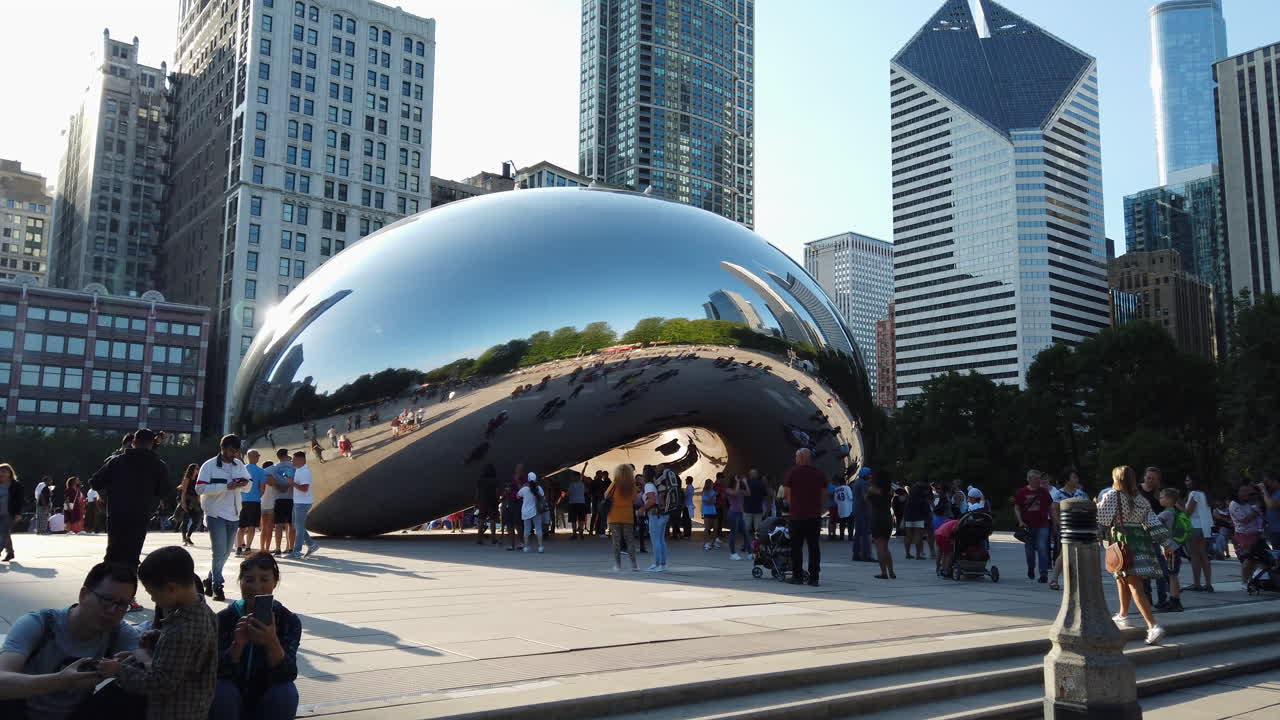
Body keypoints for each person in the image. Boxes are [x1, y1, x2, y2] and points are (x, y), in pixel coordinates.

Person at [0, 562, 143, 719]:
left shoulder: (118, 631)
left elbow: (153, 669)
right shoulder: (39, 624)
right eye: (106, 600)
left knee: (136, 691)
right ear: (83, 595)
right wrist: (60, 681)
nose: (112, 611)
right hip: (21, 713)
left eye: (122, 604)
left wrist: (124, 668)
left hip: (78, 713)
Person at [100, 546, 219, 720]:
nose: (153, 599)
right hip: (196, 708)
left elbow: (160, 682)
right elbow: (193, 652)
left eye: (152, 593)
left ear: (171, 588)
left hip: (173, 712)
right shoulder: (205, 612)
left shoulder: (181, 631)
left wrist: (118, 670)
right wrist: (158, 637)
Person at [211, 552, 301, 720]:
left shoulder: (289, 620)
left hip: (267, 695)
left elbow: (287, 674)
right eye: (249, 580)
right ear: (240, 582)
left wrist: (271, 641)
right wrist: (237, 645)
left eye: (265, 580)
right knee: (221, 690)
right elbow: (216, 672)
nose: (256, 587)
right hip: (233, 696)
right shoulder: (224, 618)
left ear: (275, 582)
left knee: (286, 693)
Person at [1098, 465, 1172, 645]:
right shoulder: (1140, 499)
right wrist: (1166, 544)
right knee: (1122, 578)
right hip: (1140, 541)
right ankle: (1123, 615)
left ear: (1117, 479)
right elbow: (1153, 522)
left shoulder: (1113, 496)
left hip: (1122, 542)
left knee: (1135, 585)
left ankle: (1153, 626)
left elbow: (1102, 519)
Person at [89, 428, 171, 571]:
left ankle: (108, 583)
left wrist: (109, 491)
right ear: (151, 444)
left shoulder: (116, 461)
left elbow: (95, 482)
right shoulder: (158, 465)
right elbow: (164, 491)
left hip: (116, 512)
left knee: (113, 551)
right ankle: (128, 585)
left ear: (133, 442)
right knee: (133, 552)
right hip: (141, 513)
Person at [197, 435, 253, 601]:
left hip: (234, 514)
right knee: (218, 551)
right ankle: (217, 586)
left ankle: (209, 578)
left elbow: (249, 485)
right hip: (215, 514)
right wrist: (225, 486)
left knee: (226, 552)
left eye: (236, 450)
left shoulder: (239, 465)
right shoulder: (209, 465)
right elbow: (200, 488)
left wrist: (243, 483)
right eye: (231, 450)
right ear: (222, 448)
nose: (234, 454)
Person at [784, 448, 826, 586]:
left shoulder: (793, 472)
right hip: (814, 516)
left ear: (800, 458)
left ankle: (797, 576)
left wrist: (795, 506)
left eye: (796, 456)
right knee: (814, 547)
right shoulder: (819, 473)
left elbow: (787, 494)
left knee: (796, 547)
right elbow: (823, 494)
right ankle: (814, 578)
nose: (795, 459)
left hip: (797, 516)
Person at [1047, 469, 1088, 591]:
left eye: (1077, 477)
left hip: (1080, 527)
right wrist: (1059, 524)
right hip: (1067, 527)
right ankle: (1054, 579)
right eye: (1074, 477)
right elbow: (1054, 510)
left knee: (1078, 552)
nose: (1077, 480)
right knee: (1064, 552)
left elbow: (1088, 508)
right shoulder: (1059, 494)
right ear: (1067, 480)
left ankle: (1075, 579)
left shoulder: (1081, 494)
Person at [1013, 469, 1053, 583]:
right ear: (1029, 479)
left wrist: (1055, 522)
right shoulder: (1022, 492)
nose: (1038, 481)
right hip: (1028, 526)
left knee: (1042, 548)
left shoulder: (1044, 492)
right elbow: (1017, 507)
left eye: (1039, 479)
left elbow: (1050, 507)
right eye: (1035, 479)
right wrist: (1020, 521)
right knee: (1029, 551)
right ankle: (1031, 567)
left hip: (1042, 524)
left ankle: (1043, 574)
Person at [1228, 482, 1265, 593]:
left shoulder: (1248, 503)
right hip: (1244, 535)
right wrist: (1256, 511)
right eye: (1243, 491)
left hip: (1255, 533)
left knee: (1256, 559)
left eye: (1247, 491)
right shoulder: (1234, 504)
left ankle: (1251, 580)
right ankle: (1244, 582)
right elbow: (1243, 519)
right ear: (1237, 492)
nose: (1246, 493)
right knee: (1249, 559)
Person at [1155, 488, 1188, 612]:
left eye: (1162, 497)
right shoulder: (1174, 512)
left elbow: (1154, 524)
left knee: (1172, 575)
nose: (1160, 499)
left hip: (1170, 548)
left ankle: (1175, 601)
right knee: (1173, 574)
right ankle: (1174, 598)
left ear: (1169, 499)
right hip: (1175, 547)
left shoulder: (1166, 513)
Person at [1182, 474, 1214, 593]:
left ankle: (1197, 584)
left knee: (1195, 556)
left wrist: (1177, 504)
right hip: (1205, 528)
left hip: (1194, 527)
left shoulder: (1193, 494)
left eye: (1188, 480)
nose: (1186, 482)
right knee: (1204, 555)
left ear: (1194, 481)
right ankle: (1208, 584)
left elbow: (1188, 512)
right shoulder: (1204, 494)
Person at [605, 465, 638, 571]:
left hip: (614, 516)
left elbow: (606, 495)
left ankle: (618, 565)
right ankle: (634, 564)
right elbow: (634, 497)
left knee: (616, 541)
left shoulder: (615, 483)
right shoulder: (631, 485)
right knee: (630, 540)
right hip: (627, 516)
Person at [286, 452, 318, 560]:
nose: (292, 462)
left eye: (294, 460)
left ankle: (297, 551)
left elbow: (304, 489)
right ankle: (312, 545)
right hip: (298, 502)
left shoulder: (305, 472)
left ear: (301, 460)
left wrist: (292, 483)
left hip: (303, 503)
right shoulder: (298, 470)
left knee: (299, 527)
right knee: (297, 526)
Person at [647, 467, 678, 571]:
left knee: (655, 540)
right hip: (666, 513)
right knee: (661, 540)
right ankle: (663, 563)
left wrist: (642, 508)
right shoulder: (661, 484)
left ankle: (658, 563)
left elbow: (653, 500)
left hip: (656, 514)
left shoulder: (651, 485)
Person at [236, 451, 266, 558]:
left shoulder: (241, 469)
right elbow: (262, 488)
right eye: (258, 456)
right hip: (254, 501)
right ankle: (248, 547)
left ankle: (239, 548)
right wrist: (257, 495)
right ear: (253, 457)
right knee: (252, 526)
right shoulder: (261, 471)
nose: (258, 457)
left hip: (241, 500)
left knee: (241, 526)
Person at [868, 470, 896, 579]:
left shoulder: (872, 490)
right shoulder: (891, 490)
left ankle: (883, 572)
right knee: (885, 546)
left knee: (879, 547)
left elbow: (867, 499)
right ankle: (891, 571)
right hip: (887, 518)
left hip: (877, 518)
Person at [267, 450, 295, 557]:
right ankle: (291, 548)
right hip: (291, 498)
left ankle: (278, 548)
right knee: (291, 525)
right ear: (287, 455)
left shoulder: (274, 467)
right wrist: (289, 486)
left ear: (278, 456)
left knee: (278, 525)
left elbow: (264, 475)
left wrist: (276, 486)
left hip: (279, 498)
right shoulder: (294, 467)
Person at [517, 472, 545, 554]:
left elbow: (517, 496)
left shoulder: (524, 489)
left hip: (526, 512)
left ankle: (526, 547)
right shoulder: (539, 488)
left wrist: (522, 486)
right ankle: (540, 547)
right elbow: (543, 497)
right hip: (536, 511)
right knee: (538, 528)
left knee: (526, 530)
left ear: (528, 479)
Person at [902, 481, 930, 560]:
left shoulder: (910, 498)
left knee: (908, 536)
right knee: (918, 535)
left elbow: (906, 509)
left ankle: (907, 553)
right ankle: (918, 555)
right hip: (919, 517)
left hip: (908, 517)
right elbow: (926, 509)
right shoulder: (922, 498)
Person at [0, 463, 23, 561]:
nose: (2, 474)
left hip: (9, 513)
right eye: (0, 472)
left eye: (4, 472)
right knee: (5, 533)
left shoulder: (16, 485)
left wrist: (18, 513)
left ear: (10, 473)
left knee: (3, 532)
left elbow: (19, 500)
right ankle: (10, 552)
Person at [849, 468, 872, 562]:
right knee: (866, 533)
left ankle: (856, 554)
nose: (870, 476)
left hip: (857, 510)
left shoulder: (856, 482)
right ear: (865, 475)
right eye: (869, 474)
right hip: (864, 511)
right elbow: (865, 497)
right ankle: (866, 555)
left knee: (858, 534)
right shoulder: (864, 483)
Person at [725, 474, 749, 561]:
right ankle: (733, 553)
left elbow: (748, 493)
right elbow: (734, 493)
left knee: (745, 533)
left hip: (740, 513)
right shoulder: (728, 490)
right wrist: (738, 482)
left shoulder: (741, 490)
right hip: (733, 513)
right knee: (733, 533)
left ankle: (750, 552)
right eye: (737, 480)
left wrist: (745, 483)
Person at [475, 464, 500, 545]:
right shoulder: (495, 480)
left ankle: (479, 538)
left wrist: (477, 502)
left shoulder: (480, 480)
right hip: (492, 502)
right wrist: (497, 500)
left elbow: (477, 493)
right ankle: (493, 538)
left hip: (482, 502)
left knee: (481, 520)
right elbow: (497, 492)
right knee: (492, 520)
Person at [257, 462, 277, 555]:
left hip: (261, 504)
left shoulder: (260, 476)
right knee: (269, 528)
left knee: (263, 528)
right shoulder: (272, 478)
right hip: (271, 504)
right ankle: (267, 549)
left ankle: (262, 548)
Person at [744, 469, 768, 541]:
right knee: (757, 528)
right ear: (757, 475)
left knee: (746, 527)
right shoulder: (761, 484)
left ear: (750, 475)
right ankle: (757, 544)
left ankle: (746, 544)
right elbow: (765, 496)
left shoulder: (746, 483)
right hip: (758, 508)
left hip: (747, 508)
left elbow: (742, 494)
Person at [566, 470, 587, 540]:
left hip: (573, 503)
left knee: (573, 519)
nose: (572, 477)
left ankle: (574, 534)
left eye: (573, 476)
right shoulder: (582, 484)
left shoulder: (572, 484)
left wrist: (565, 494)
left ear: (575, 476)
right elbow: (584, 491)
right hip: (581, 503)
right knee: (581, 519)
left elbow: (569, 493)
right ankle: (581, 534)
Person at [1262, 470, 1280, 551]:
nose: (1266, 484)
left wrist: (1264, 490)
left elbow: (1271, 505)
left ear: (1275, 481)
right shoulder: (1273, 493)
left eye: (1267, 482)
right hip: (1274, 530)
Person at [700, 479, 719, 551]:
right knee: (707, 528)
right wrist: (713, 495)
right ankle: (706, 543)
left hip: (713, 511)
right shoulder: (704, 492)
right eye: (711, 483)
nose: (713, 484)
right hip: (707, 511)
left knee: (716, 528)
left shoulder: (712, 491)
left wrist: (712, 497)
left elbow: (713, 501)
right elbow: (707, 502)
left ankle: (713, 542)